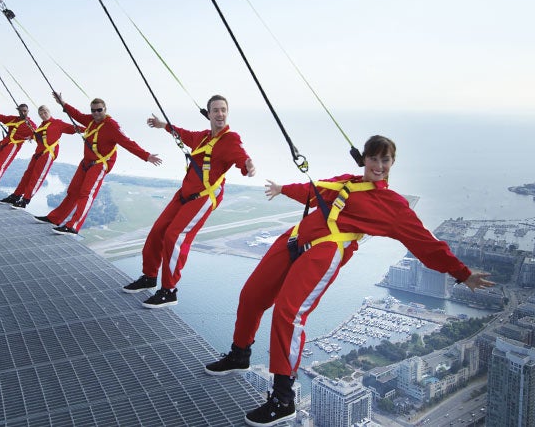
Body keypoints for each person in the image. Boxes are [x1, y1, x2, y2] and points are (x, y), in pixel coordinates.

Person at [203, 135, 495, 426]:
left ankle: (283, 399)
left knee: (288, 314)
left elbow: (424, 242)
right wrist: (283, 189)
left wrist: (462, 273)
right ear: (364, 159)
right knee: (251, 295)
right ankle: (239, 354)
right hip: (294, 238)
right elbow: (314, 190)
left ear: (392, 164)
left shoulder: (392, 205)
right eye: (374, 158)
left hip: (326, 249)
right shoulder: (347, 182)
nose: (378, 165)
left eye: (385, 160)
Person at [122, 94, 255, 308]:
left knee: (174, 236)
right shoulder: (202, 137)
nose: (220, 114)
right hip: (184, 193)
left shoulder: (231, 139)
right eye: (216, 110)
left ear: (227, 113)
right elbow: (181, 133)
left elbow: (242, 158)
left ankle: (169, 290)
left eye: (223, 110)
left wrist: (249, 167)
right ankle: (149, 277)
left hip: (203, 197)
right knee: (157, 232)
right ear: (209, 114)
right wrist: (162, 125)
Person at [33, 93, 163, 235]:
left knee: (86, 193)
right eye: (93, 110)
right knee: (73, 191)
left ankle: (73, 226)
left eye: (99, 110)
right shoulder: (90, 120)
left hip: (101, 163)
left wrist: (146, 156)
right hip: (87, 162)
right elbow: (77, 115)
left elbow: (127, 143)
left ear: (105, 109)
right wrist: (62, 103)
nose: (96, 113)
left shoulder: (112, 126)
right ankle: (55, 218)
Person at [0, 98, 82, 209]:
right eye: (41, 114)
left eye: (45, 112)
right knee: (27, 175)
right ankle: (16, 195)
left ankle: (25, 199)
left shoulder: (58, 123)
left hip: (48, 153)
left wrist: (87, 129)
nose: (43, 115)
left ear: (49, 112)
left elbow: (73, 128)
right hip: (38, 153)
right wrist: (31, 136)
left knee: (37, 177)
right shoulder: (41, 126)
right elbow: (39, 136)